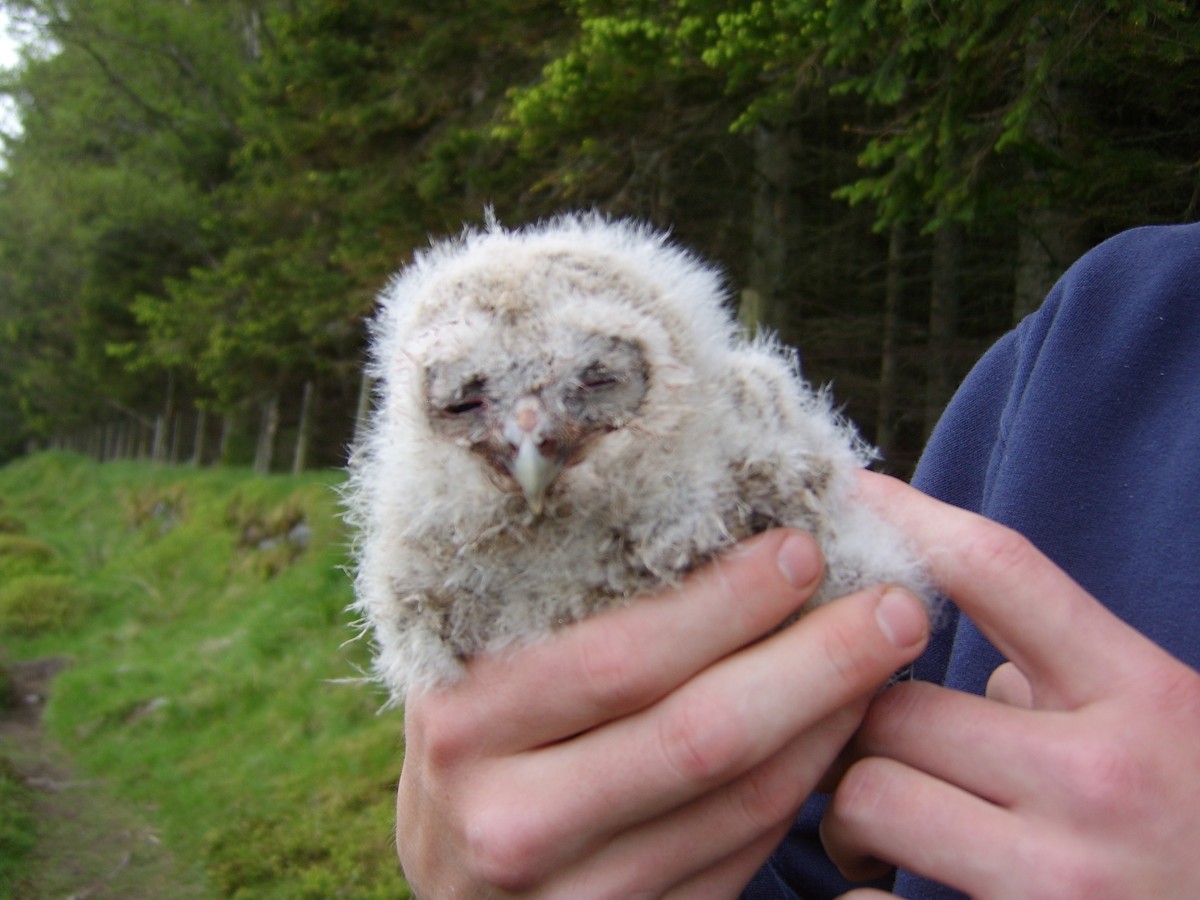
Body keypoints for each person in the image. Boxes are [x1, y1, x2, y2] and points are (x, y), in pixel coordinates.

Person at [393, 222, 1200, 898]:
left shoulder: (745, 456)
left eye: (599, 382)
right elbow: (799, 842)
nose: (530, 436)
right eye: (465, 400)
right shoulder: (1105, 328)